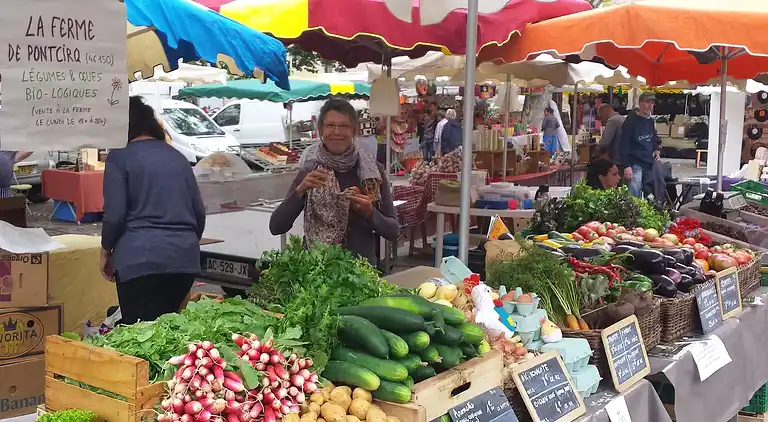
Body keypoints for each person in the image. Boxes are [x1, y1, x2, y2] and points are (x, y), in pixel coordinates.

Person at [101, 96, 206, 325]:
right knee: (170, 333)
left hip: (138, 261)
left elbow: (115, 214)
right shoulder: (178, 157)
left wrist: (105, 250)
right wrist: (183, 244)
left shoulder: (119, 158)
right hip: (183, 260)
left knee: (141, 335)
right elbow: (199, 212)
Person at [269, 98, 399, 264]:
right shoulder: (310, 171)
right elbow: (276, 226)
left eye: (344, 126)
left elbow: (393, 231)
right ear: (321, 130)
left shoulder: (372, 173)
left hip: (359, 271)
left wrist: (370, 212)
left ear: (354, 131)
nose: (337, 132)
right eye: (330, 125)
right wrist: (300, 191)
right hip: (316, 269)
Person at [619, 92, 660, 197]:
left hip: (649, 163)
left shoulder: (650, 121)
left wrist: (656, 149)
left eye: (652, 103)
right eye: (647, 102)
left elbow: (653, 137)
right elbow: (623, 144)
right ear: (640, 103)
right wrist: (626, 166)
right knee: (634, 196)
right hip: (635, 164)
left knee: (649, 196)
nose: (650, 105)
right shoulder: (630, 121)